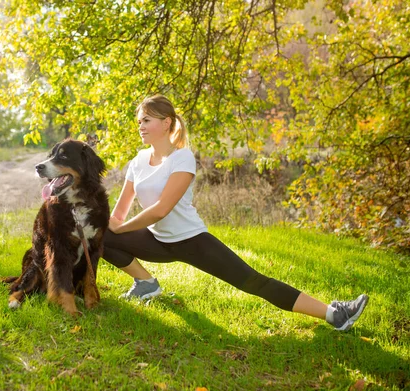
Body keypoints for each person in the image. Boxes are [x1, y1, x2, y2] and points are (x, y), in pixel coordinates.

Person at [103, 94, 369, 331]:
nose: (140, 126)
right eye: (139, 121)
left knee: (253, 282)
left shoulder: (182, 158)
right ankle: (146, 283)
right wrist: (107, 224)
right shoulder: (137, 161)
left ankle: (335, 314)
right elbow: (118, 213)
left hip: (191, 240)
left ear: (166, 123)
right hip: (156, 241)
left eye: (146, 120)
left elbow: (161, 210)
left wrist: (121, 228)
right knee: (101, 235)